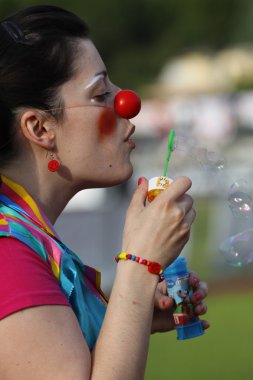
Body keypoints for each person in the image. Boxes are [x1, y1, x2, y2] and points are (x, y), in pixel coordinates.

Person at [0, 5, 209, 379]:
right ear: (40, 128)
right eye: (100, 94)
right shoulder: (6, 254)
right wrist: (139, 265)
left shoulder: (25, 236)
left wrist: (129, 312)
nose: (128, 102)